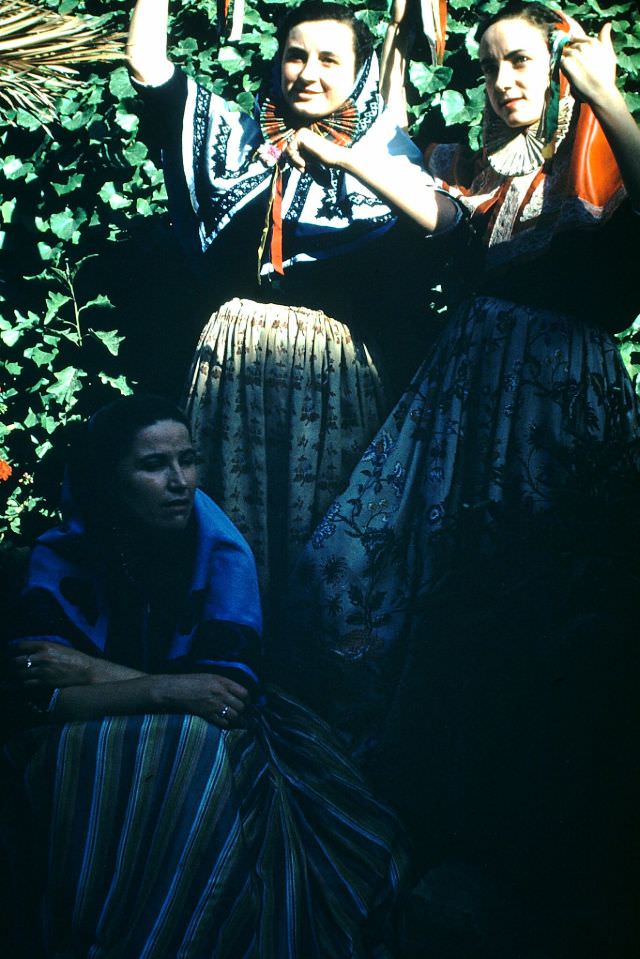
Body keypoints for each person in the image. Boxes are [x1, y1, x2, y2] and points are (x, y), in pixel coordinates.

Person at [278, 3, 640, 954]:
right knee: (352, 566)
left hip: (552, 414)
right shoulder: (499, 177)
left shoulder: (593, 170)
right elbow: (449, 216)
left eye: (522, 61)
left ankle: (512, 846)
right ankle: (388, 811)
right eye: (491, 67)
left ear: (560, 70)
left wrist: (606, 92)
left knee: (528, 616)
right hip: (463, 413)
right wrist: (350, 156)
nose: (504, 79)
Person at [0, 394, 409, 959]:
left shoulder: (219, 551)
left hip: (220, 740)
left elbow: (225, 701)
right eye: (152, 466)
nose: (179, 481)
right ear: (108, 479)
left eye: (187, 460)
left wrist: (93, 672)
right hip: (87, 742)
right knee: (86, 753)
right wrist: (166, 687)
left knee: (192, 747)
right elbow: (35, 693)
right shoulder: (63, 551)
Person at [126, 0, 464, 614]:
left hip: (331, 379)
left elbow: (446, 226)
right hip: (232, 368)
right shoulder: (236, 139)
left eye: (329, 59)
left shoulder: (389, 156)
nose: (308, 72)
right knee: (226, 538)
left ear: (359, 71)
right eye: (296, 55)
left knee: (325, 543)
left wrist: (345, 158)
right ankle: (223, 672)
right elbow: (148, 64)